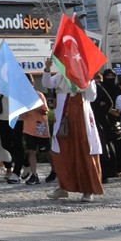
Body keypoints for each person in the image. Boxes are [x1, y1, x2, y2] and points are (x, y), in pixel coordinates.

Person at [43, 67, 102, 202]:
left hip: (82, 119)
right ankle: (63, 187)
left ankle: (88, 190)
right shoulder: (61, 76)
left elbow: (92, 97)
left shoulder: (85, 76)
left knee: (84, 152)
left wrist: (89, 81)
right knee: (62, 153)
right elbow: (47, 83)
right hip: (64, 119)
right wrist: (47, 69)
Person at [18, 84, 51, 183]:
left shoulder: (39, 95)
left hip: (40, 128)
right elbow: (22, 116)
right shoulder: (22, 97)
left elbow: (44, 111)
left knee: (47, 151)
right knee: (31, 151)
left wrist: (31, 106)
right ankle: (34, 175)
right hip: (28, 129)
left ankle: (55, 171)